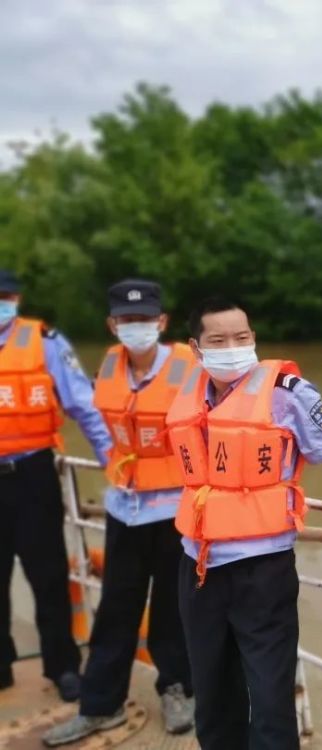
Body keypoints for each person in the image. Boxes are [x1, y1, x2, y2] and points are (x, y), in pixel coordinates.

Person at [169, 296, 322, 750]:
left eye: (241, 337)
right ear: (196, 349)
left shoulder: (289, 393)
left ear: (254, 339)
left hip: (263, 571)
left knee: (270, 698)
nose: (232, 347)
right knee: (213, 692)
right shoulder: (188, 392)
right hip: (197, 566)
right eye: (218, 340)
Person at [43, 279, 196, 746]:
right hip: (125, 508)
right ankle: (100, 705)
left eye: (145, 319)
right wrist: (112, 458)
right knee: (115, 609)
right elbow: (96, 420)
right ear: (112, 325)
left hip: (175, 508)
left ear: (162, 322)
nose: (137, 328)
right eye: (127, 321)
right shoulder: (110, 365)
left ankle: (178, 688)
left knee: (174, 608)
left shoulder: (190, 367)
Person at [0, 269, 113, 701]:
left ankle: (63, 667)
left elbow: (85, 407)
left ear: (17, 298)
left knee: (47, 575)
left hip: (32, 474)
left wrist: (113, 467)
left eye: (7, 295)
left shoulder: (45, 342)